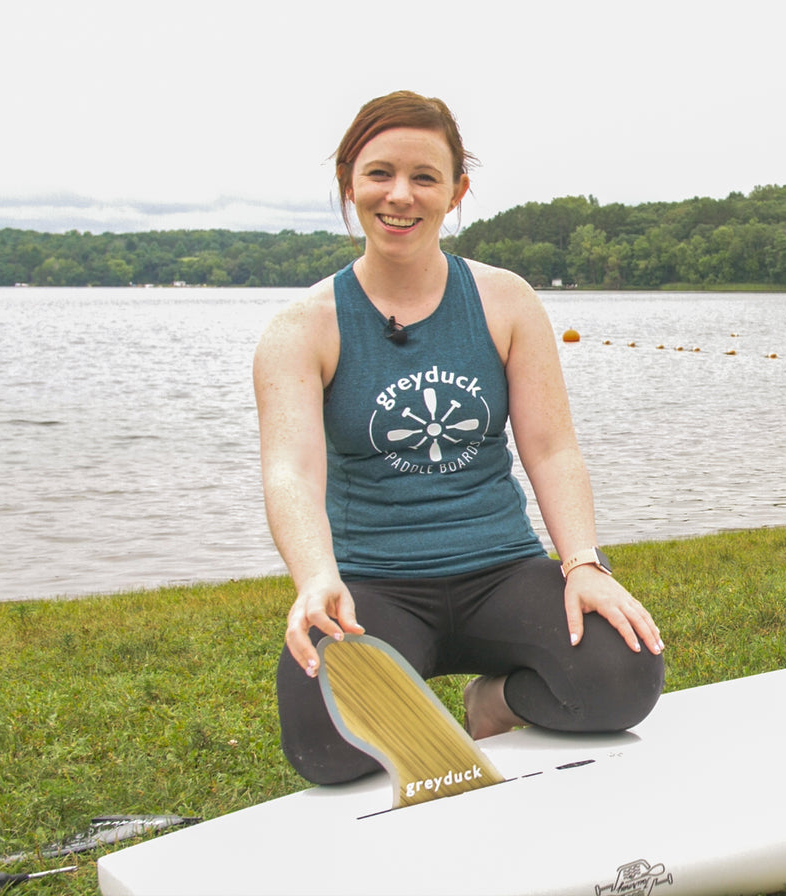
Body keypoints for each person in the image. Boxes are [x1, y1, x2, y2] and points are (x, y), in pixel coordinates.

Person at [254, 90, 664, 785]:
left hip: (500, 568)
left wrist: (583, 565)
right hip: (374, 586)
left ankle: (490, 700)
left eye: (425, 177)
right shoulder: (302, 328)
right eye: (380, 173)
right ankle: (409, 700)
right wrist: (316, 578)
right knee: (326, 744)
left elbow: (551, 446)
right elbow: (291, 472)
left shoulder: (505, 301)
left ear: (457, 192)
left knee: (622, 674)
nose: (400, 196)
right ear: (349, 183)